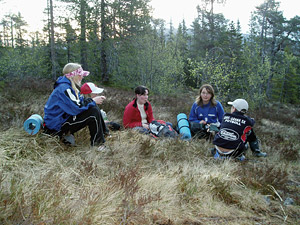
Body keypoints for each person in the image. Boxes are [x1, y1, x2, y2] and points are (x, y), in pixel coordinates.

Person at [43, 63, 107, 150]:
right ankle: (97, 145)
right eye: (80, 75)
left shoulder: (67, 86)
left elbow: (78, 103)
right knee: (93, 112)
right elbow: (76, 108)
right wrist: (93, 100)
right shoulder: (64, 89)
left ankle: (104, 134)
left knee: (93, 108)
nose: (82, 77)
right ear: (73, 76)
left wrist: (92, 101)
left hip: (60, 121)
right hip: (56, 127)